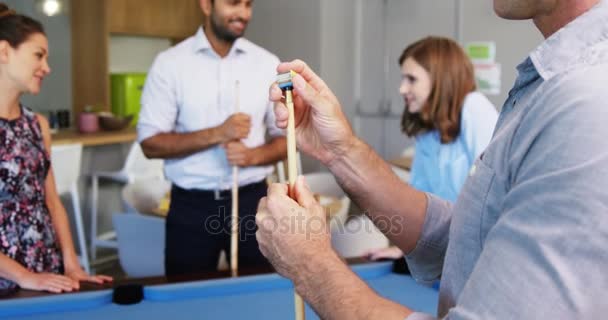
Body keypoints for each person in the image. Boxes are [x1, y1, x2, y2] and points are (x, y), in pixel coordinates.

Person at [256, 0, 608, 318]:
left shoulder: (588, 98)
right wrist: (339, 151)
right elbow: (469, 242)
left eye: (412, 78)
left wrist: (311, 265)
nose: (402, 88)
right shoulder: (552, 85)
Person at [138, 0, 286, 275]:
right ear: (206, 5)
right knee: (186, 301)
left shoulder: (268, 64)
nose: (243, 14)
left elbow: (286, 140)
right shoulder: (169, 64)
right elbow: (150, 143)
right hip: (190, 208)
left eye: (248, 5)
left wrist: (253, 156)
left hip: (252, 202)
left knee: (258, 298)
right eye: (233, 3)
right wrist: (218, 133)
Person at [0, 3, 112, 293]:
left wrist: (71, 263)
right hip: (9, 278)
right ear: (3, 52)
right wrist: (24, 276)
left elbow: (51, 202)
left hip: (45, 271)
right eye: (38, 55)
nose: (47, 68)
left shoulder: (38, 125)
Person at [365, 37, 497, 262]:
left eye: (411, 79)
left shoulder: (474, 108)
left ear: (439, 79)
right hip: (449, 250)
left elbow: (495, 192)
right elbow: (420, 201)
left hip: (483, 251)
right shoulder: (427, 130)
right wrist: (405, 249)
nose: (402, 88)